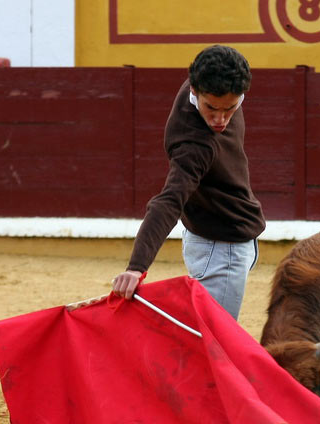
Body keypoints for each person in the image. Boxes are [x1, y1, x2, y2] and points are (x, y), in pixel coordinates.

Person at [112, 45, 265, 320]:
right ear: (194, 91)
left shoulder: (207, 80)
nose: (220, 120)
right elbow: (168, 201)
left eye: (230, 108)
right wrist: (137, 267)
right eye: (211, 108)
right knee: (214, 344)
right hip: (222, 250)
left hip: (217, 239)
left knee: (206, 338)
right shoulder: (195, 145)